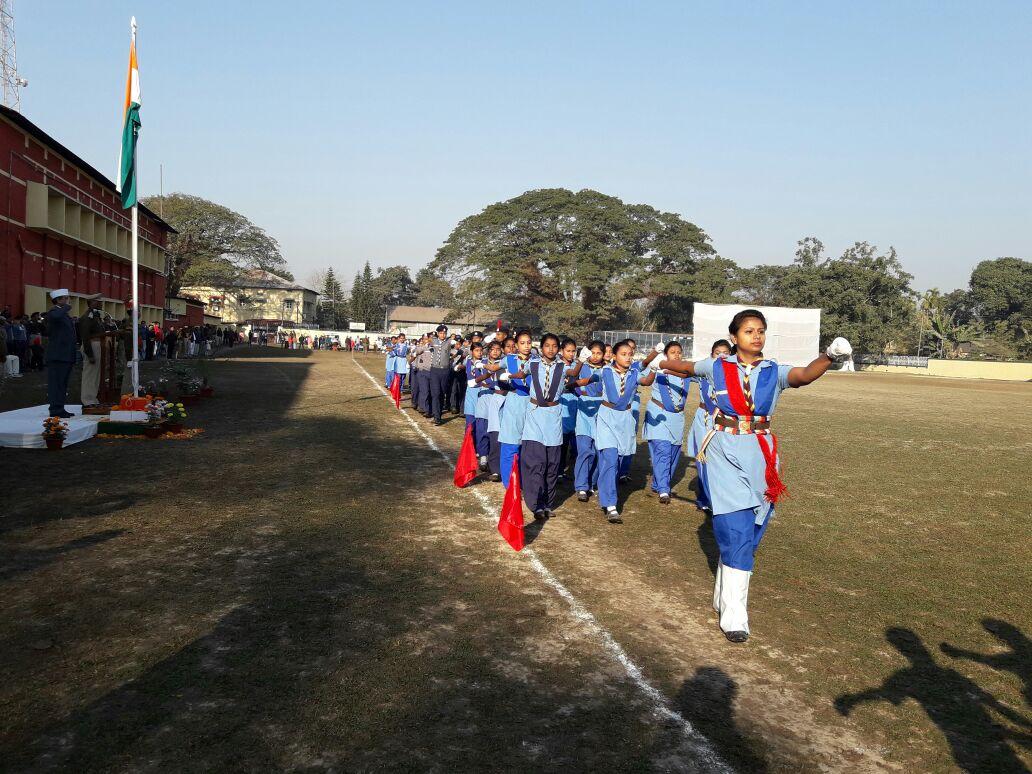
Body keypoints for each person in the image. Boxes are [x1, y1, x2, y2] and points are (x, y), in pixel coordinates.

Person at [656, 309, 852, 643]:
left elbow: (804, 375)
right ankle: (735, 615)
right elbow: (685, 367)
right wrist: (659, 362)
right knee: (736, 527)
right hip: (723, 450)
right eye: (749, 331)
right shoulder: (716, 366)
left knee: (753, 529)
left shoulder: (774, 371)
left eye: (760, 330)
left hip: (760, 454)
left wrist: (829, 356)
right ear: (734, 337)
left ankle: (723, 594)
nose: (756, 336)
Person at [592, 341, 646, 523]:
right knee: (610, 457)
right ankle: (610, 505)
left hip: (625, 420)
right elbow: (590, 378)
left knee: (618, 460)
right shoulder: (605, 371)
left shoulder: (635, 373)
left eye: (630, 354)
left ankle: (601, 484)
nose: (628, 357)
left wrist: (654, 370)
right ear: (614, 356)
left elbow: (646, 381)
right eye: (623, 354)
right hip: (607, 417)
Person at [638, 341, 690, 505]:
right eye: (673, 352)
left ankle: (658, 483)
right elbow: (641, 368)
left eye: (679, 352)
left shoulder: (687, 372)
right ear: (666, 354)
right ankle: (663, 490)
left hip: (677, 418)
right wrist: (654, 354)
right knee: (663, 451)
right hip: (658, 414)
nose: (676, 354)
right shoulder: (657, 368)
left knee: (673, 454)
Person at [520, 334, 566, 520]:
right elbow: (521, 372)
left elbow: (575, 372)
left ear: (558, 349)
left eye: (554, 346)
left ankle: (547, 503)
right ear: (541, 348)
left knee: (552, 464)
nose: (551, 349)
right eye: (547, 345)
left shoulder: (564, 366)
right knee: (536, 462)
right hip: (535, 414)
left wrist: (582, 362)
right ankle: (535, 504)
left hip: (553, 416)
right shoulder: (532, 364)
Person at [686, 339, 732, 511]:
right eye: (717, 352)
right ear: (711, 355)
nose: (721, 356)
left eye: (725, 352)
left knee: (720, 460)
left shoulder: (734, 374)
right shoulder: (703, 372)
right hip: (703, 418)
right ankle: (705, 499)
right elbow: (685, 371)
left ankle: (721, 497)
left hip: (723, 419)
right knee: (703, 458)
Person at [491, 330, 534, 488]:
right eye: (522, 343)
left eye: (529, 342)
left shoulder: (537, 361)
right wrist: (483, 367)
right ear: (516, 345)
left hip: (532, 403)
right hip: (514, 402)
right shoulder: (508, 359)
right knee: (510, 443)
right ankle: (509, 484)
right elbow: (493, 367)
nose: (526, 346)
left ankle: (523, 480)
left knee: (528, 446)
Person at [569, 340, 606, 502]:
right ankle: (581, 486)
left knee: (598, 450)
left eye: (599, 353)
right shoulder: (581, 367)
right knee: (584, 449)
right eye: (593, 353)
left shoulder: (608, 369)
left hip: (602, 409)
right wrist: (580, 393)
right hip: (584, 409)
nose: (595, 356)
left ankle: (592, 482)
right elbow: (571, 382)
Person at [473, 339, 506, 480]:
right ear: (488, 351)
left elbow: (493, 382)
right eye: (493, 349)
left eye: (498, 349)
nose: (495, 352)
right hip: (484, 397)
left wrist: (489, 382)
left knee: (495, 431)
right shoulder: (481, 363)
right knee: (482, 428)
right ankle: (483, 456)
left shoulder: (503, 363)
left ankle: (496, 463)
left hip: (498, 397)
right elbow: (477, 379)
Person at [44, 289, 78, 418]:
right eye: (65, 298)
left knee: (62, 384)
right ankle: (55, 409)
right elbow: (55, 316)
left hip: (65, 355)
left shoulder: (63, 314)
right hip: (58, 355)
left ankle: (60, 407)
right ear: (58, 300)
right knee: (56, 384)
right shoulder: (54, 312)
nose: (68, 300)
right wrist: (66, 307)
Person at [77, 294, 105, 408]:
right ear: (93, 302)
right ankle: (87, 399)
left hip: (97, 344)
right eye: (99, 302)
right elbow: (85, 336)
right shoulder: (87, 317)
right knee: (89, 374)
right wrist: (90, 354)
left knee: (95, 375)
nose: (101, 304)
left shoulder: (95, 316)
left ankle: (92, 398)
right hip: (92, 345)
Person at [557, 338, 580, 480]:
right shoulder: (557, 364)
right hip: (561, 401)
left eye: (573, 351)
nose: (571, 354)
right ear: (561, 351)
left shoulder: (577, 365)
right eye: (568, 351)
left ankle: (573, 468)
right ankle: (559, 469)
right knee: (562, 438)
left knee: (574, 435)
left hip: (574, 401)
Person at [426, 324, 456, 425]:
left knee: (442, 393)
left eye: (444, 333)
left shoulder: (449, 342)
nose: (443, 335)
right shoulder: (433, 341)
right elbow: (428, 341)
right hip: (435, 370)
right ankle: (436, 417)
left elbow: (457, 345)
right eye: (441, 333)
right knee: (435, 393)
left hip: (445, 371)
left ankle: (438, 414)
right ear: (438, 333)